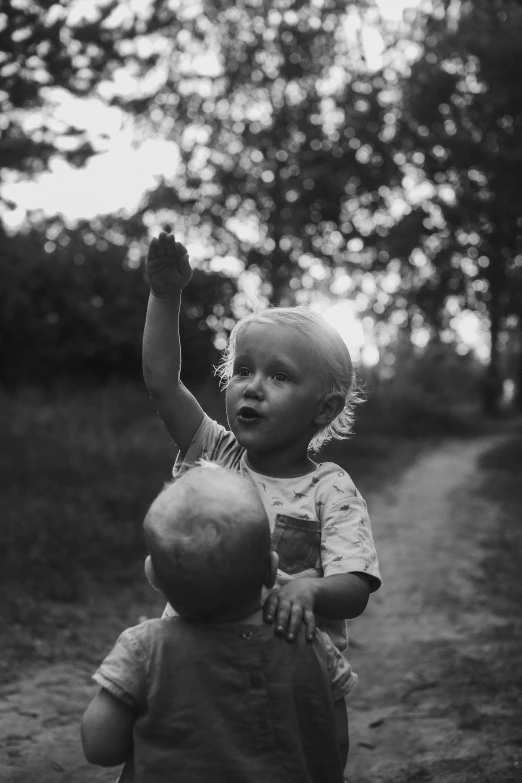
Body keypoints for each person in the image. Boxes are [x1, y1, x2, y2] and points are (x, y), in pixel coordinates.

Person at [142, 230, 382, 761]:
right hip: (197, 660)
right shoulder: (214, 452)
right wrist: (165, 296)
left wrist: (312, 593)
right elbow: (162, 382)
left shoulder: (330, 488)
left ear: (324, 409)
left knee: (313, 758)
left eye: (279, 376)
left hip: (295, 672)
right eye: (243, 370)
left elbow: (356, 584)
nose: (252, 386)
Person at [81, 464, 355, 782]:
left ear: (152, 575)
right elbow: (335, 742)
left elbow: (100, 747)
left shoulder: (144, 650)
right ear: (271, 569)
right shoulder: (309, 640)